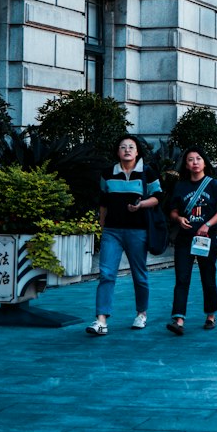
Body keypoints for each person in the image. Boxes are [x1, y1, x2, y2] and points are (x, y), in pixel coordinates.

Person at [86, 134, 163, 336]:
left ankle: (141, 314)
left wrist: (141, 205)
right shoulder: (107, 173)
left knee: (139, 274)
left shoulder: (147, 172)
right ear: (118, 151)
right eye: (123, 147)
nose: (127, 150)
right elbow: (103, 201)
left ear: (137, 151)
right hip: (112, 231)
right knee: (106, 274)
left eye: (131, 147)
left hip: (138, 231)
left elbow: (157, 198)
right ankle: (101, 320)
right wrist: (102, 226)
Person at [166, 147, 217, 334]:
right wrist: (178, 219)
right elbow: (173, 210)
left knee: (208, 277)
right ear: (186, 164)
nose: (195, 162)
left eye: (198, 158)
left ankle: (210, 315)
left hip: (206, 239)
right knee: (182, 278)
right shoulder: (181, 186)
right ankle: (178, 319)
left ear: (204, 163)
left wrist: (207, 225)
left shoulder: (213, 184)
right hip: (185, 239)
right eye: (190, 159)